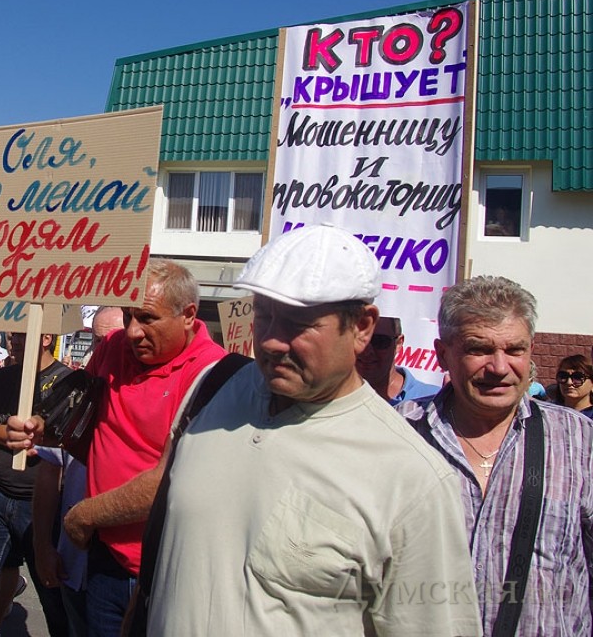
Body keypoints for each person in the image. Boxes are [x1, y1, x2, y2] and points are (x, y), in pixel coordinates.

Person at [145, 225, 481, 636]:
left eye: (297, 322)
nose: (271, 340)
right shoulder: (213, 390)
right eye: (264, 315)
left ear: (362, 327)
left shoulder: (412, 479)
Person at [8, 259, 226, 636]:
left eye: (147, 318)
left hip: (166, 570)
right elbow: (78, 418)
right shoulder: (112, 347)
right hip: (105, 559)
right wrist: (42, 429)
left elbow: (175, 480)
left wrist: (86, 515)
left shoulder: (213, 375)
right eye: (127, 316)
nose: (132, 331)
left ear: (189, 315)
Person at [398, 275, 593, 634]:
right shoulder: (399, 433)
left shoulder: (578, 439)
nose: (500, 367)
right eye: (479, 350)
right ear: (442, 354)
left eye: (515, 350)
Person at [0, 331, 72, 637]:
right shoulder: (2, 378)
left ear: (46, 337)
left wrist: (45, 438)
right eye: (11, 336)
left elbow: (73, 444)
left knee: (55, 598)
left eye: (21, 335)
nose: (14, 342)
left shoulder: (67, 383)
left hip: (43, 507)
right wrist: (2, 432)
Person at [32, 306, 124, 637]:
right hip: (72, 560)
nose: (105, 349)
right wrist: (42, 545)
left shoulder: (147, 395)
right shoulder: (75, 396)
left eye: (113, 340)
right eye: (98, 341)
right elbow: (49, 474)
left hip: (121, 571)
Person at [356, 315, 439, 404]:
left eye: (379, 341)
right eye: (359, 339)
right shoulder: (343, 397)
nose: (367, 351)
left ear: (398, 343)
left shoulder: (435, 399)